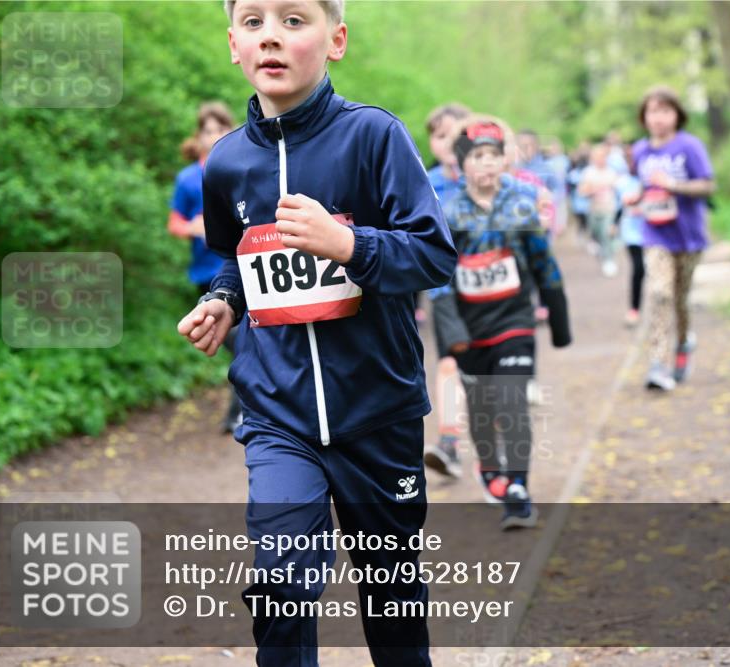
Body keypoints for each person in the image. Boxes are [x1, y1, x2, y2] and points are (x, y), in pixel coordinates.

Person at [176, 2, 457, 665]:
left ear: (336, 40)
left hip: (377, 411)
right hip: (278, 414)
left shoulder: (374, 136)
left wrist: (348, 243)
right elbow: (235, 254)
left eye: (293, 19)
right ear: (233, 46)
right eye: (253, 22)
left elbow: (435, 254)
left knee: (391, 594)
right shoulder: (224, 164)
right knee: (279, 583)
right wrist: (223, 297)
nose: (270, 33)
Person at [432, 118, 572, 530]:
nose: (488, 164)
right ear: (463, 165)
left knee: (511, 400)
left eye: (495, 155)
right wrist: (451, 331)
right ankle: (490, 469)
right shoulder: (448, 211)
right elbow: (438, 278)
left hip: (515, 319)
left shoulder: (522, 202)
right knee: (481, 408)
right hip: (470, 326)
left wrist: (558, 316)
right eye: (478, 156)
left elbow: (544, 263)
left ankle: (518, 488)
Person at [623, 86, 715, 391]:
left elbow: (707, 186)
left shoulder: (689, 146)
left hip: (688, 236)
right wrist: (637, 199)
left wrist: (674, 184)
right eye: (652, 111)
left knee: (679, 300)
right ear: (644, 117)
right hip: (655, 235)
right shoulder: (640, 151)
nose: (658, 118)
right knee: (660, 294)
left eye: (665, 111)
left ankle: (684, 343)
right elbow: (645, 187)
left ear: (677, 115)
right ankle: (658, 364)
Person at [167, 101, 241, 433]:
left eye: (221, 129)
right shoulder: (187, 179)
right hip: (206, 275)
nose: (214, 136)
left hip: (242, 269)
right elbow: (174, 224)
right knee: (238, 343)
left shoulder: (239, 168)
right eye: (208, 131)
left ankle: (241, 413)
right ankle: (243, 410)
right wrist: (194, 228)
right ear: (199, 137)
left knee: (245, 343)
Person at [422, 102, 471, 480]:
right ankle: (450, 443)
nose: (449, 142)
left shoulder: (489, 181)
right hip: (444, 290)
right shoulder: (423, 182)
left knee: (486, 367)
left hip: (489, 292)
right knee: (449, 362)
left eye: (456, 134)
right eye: (440, 136)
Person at [578, 143, 621, 278]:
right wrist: (593, 189)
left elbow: (619, 191)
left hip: (609, 209)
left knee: (606, 234)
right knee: (596, 234)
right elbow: (582, 191)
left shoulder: (612, 172)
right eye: (597, 156)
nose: (600, 159)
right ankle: (603, 252)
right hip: (594, 210)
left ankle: (609, 260)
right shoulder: (588, 172)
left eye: (602, 156)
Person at [615, 165, 645, 328]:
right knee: (638, 269)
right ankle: (634, 308)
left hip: (654, 233)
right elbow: (619, 206)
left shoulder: (651, 179)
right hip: (632, 234)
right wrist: (614, 223)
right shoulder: (623, 182)